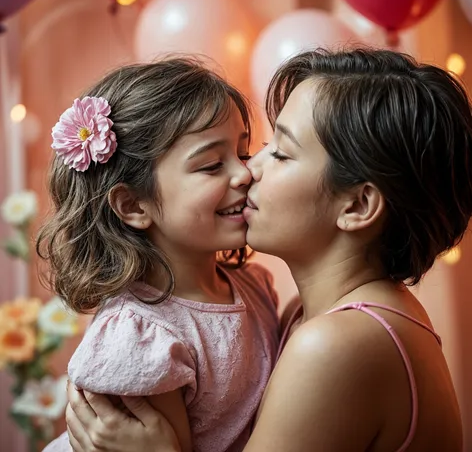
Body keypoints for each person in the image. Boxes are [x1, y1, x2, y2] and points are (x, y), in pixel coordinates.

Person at [65, 48, 470, 451]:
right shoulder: (307, 315)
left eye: (280, 153)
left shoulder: (337, 344)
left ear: (358, 206)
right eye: (261, 145)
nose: (249, 169)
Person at [37, 58, 280, 452]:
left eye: (243, 152)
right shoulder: (142, 337)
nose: (244, 174)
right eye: (212, 164)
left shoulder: (255, 287)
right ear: (133, 205)